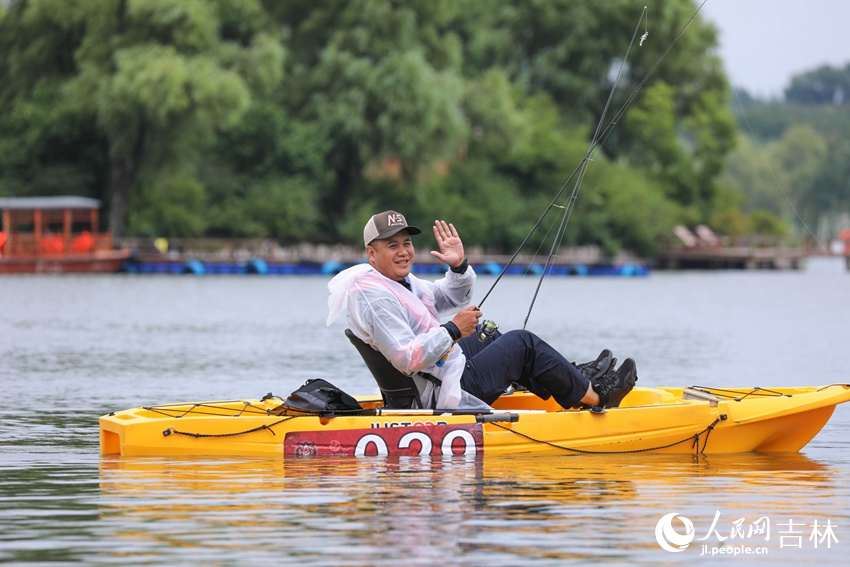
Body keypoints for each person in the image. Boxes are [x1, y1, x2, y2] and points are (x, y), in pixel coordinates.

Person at [327, 210, 637, 411]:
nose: (404, 251)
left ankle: (568, 380)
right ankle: (599, 396)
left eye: (406, 243)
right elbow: (406, 360)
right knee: (522, 343)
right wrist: (451, 330)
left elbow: (449, 297)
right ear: (371, 253)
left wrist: (459, 266)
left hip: (435, 372)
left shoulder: (400, 281)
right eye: (392, 245)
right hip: (434, 394)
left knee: (485, 334)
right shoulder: (375, 298)